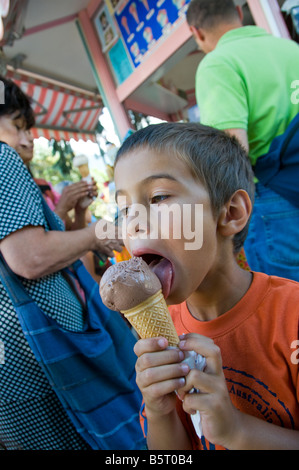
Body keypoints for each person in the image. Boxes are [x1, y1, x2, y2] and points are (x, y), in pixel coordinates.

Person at [113, 122, 299, 450]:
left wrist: (236, 431)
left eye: (157, 197)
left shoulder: (292, 316)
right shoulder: (161, 332)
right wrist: (159, 411)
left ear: (230, 213)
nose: (133, 220)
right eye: (124, 208)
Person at [0, 76, 126, 449]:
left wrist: (77, 222)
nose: (27, 140)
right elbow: (31, 257)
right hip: (39, 360)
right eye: (17, 126)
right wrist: (100, 232)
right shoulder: (3, 159)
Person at [186, 0, 299, 281]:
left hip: (275, 201)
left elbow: (232, 152)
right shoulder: (291, 49)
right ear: (238, 13)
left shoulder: (218, 64)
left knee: (289, 304)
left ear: (196, 32)